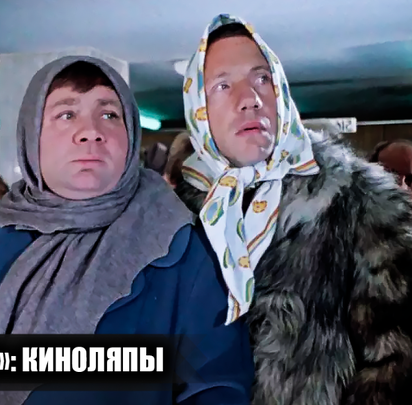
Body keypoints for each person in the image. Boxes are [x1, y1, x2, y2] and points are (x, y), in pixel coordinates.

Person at [0, 56, 254, 405]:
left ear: (130, 133)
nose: (91, 131)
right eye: (67, 114)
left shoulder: (181, 245)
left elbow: (217, 388)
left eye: (109, 115)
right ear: (32, 135)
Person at [174, 14, 412, 405]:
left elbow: (395, 364)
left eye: (262, 79)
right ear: (199, 108)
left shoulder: (362, 200)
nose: (250, 98)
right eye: (222, 85)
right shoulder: (177, 217)